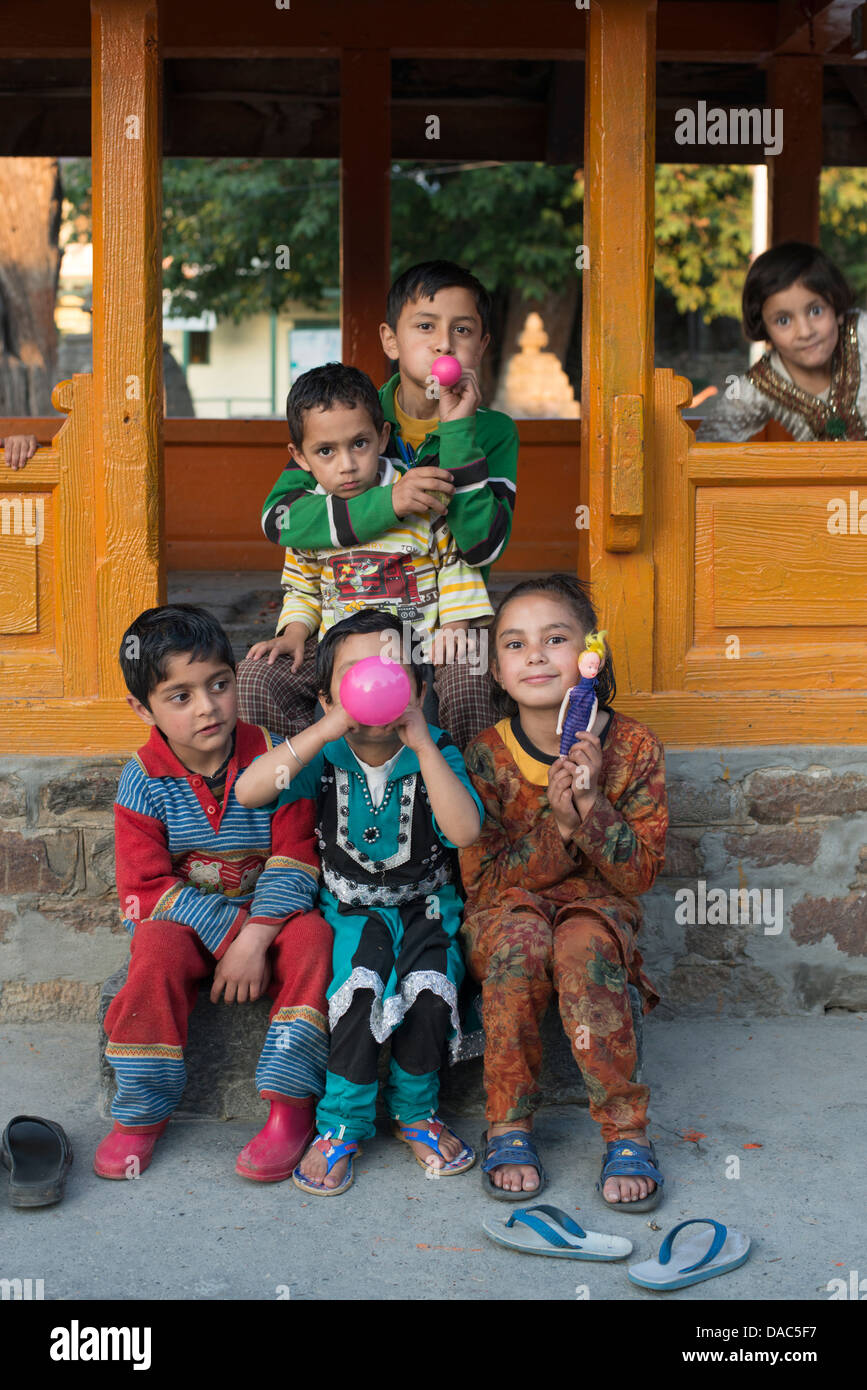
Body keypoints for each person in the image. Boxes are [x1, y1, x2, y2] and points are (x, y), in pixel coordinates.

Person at [235, 609, 484, 1195]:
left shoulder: (436, 751)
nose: (375, 681)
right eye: (355, 675)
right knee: (356, 995)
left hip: (428, 907)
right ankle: (341, 1123)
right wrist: (323, 731)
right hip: (348, 910)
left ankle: (416, 1114)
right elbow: (249, 791)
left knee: (428, 995)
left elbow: (466, 831)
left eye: (391, 670)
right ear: (327, 698)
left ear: (417, 691)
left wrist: (422, 741)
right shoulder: (321, 754)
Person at [95, 604, 333, 1184]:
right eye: (180, 696)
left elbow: (298, 855)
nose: (207, 706)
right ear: (140, 708)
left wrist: (254, 936)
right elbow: (143, 891)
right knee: (153, 950)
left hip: (272, 925)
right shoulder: (144, 780)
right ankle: (141, 1113)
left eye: (219, 685)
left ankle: (291, 1108)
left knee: (317, 939)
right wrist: (227, 934)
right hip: (194, 931)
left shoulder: (278, 758)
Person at [246, 260, 520, 750]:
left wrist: (458, 430)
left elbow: (478, 547)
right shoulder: (350, 415)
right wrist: (389, 501)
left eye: (462, 330)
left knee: (472, 673)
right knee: (257, 677)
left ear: (482, 346)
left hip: (435, 624)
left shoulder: (494, 431)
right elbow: (282, 519)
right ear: (391, 340)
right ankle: (299, 796)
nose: (444, 344)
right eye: (425, 326)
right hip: (338, 630)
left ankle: (471, 811)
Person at [458, 574, 668, 1211]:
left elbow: (638, 877)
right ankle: (509, 1121)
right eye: (515, 645)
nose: (536, 656)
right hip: (507, 912)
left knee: (580, 945)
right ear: (496, 670)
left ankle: (626, 1129)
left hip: (597, 909)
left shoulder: (632, 747)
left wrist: (592, 811)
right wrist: (561, 826)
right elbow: (485, 882)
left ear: (589, 654)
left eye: (555, 639)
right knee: (522, 941)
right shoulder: (485, 756)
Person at [238, 362, 493, 743]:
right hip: (335, 653)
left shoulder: (418, 493)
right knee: (256, 677)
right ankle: (296, 783)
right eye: (325, 451)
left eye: (360, 443)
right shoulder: (312, 518)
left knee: (471, 670)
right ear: (301, 457)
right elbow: (303, 589)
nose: (347, 465)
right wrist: (293, 633)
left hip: (419, 648)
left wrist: (454, 629)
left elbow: (454, 561)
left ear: (382, 434)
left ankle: (470, 786)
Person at [696, 242, 867, 442]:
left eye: (816, 311)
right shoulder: (761, 384)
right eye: (783, 320)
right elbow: (709, 440)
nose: (805, 332)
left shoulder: (862, 333)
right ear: (765, 329)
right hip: (820, 473)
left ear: (837, 308)